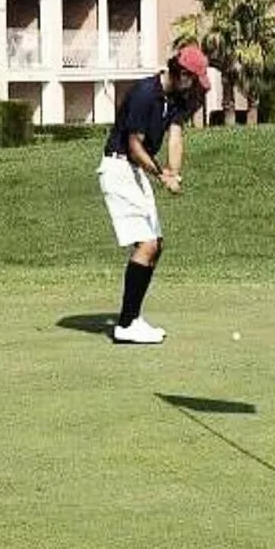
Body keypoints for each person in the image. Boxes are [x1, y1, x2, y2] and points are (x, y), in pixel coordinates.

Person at [97, 44, 210, 345]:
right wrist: (161, 176)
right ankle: (125, 324)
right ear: (183, 74)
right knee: (146, 244)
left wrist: (173, 171)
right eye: (196, 81)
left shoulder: (173, 99)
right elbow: (134, 146)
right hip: (119, 167)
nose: (197, 90)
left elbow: (175, 136)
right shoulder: (146, 94)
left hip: (135, 171)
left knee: (155, 245)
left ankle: (132, 318)